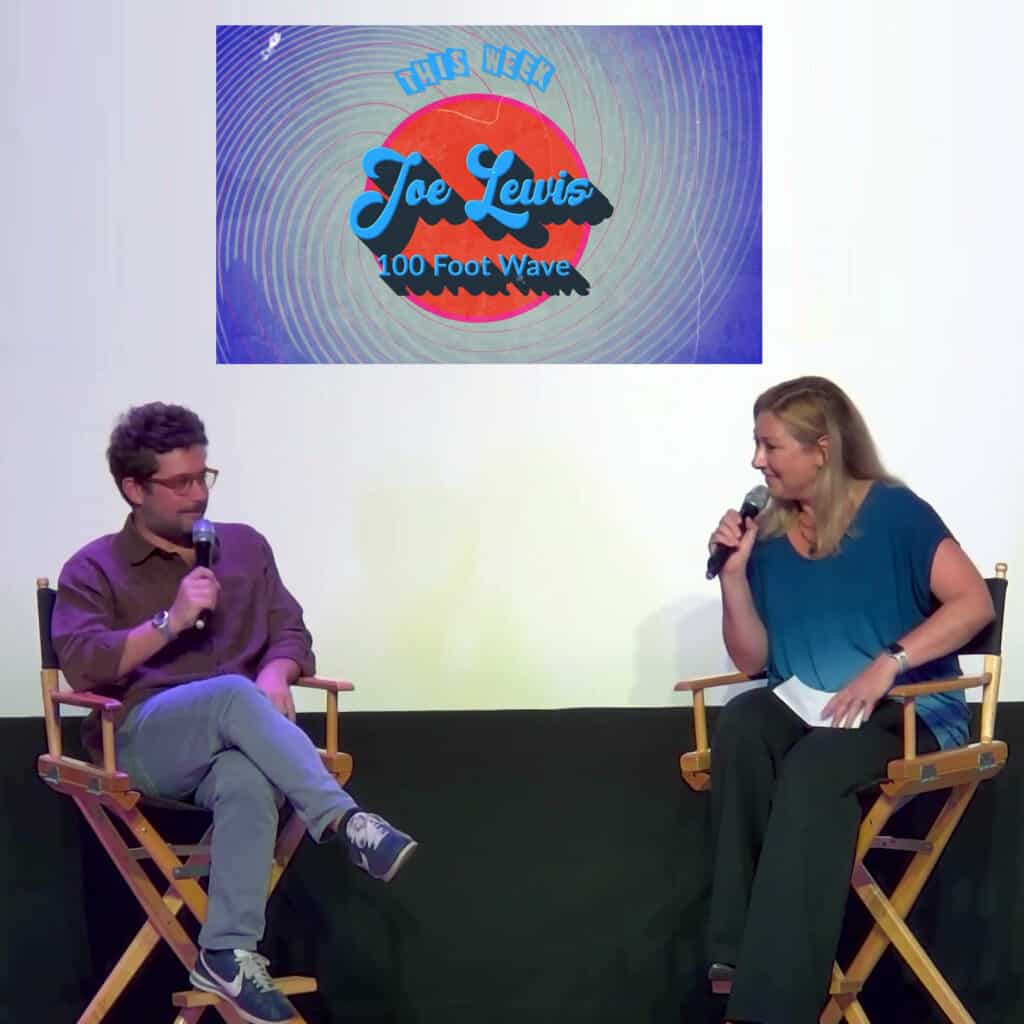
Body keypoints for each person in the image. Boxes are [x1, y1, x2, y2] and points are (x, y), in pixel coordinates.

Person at [52, 402, 418, 1024]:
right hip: (143, 740)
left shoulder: (245, 547)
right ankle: (346, 822)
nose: (198, 495)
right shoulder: (93, 568)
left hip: (241, 742)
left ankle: (225, 951)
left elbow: (290, 631)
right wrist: (169, 620)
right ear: (133, 488)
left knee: (248, 781)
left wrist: (277, 672)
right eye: (179, 483)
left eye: (204, 477)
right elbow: (84, 664)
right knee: (230, 693)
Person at [703, 377, 993, 1024]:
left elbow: (973, 602)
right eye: (757, 445)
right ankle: (732, 954)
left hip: (904, 713)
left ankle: (770, 1010)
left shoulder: (894, 512)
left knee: (816, 765)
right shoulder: (771, 535)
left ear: (823, 448)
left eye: (770, 445)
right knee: (745, 721)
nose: (757, 461)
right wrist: (732, 576)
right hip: (811, 712)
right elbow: (751, 661)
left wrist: (887, 665)